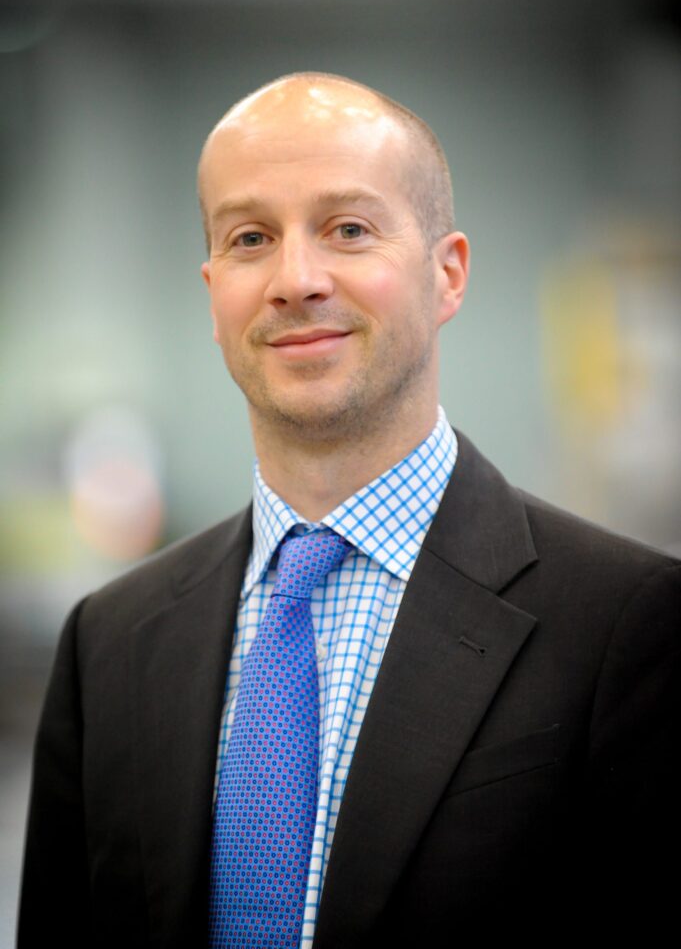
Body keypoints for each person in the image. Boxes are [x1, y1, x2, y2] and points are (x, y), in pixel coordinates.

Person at [18, 73, 679, 948]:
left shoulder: (628, 622)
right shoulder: (109, 639)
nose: (295, 280)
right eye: (251, 238)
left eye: (349, 229)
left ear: (447, 274)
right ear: (213, 291)